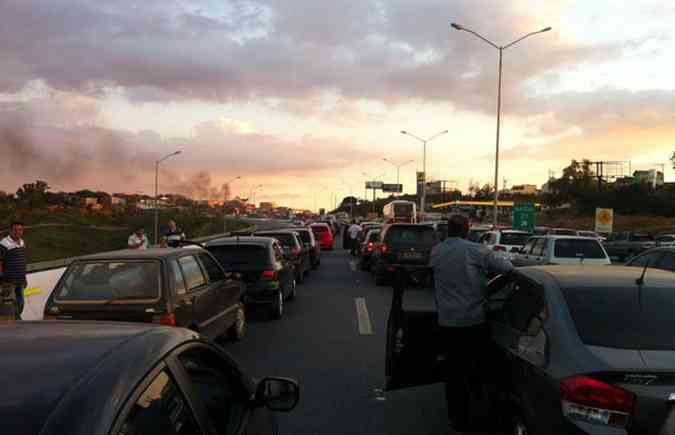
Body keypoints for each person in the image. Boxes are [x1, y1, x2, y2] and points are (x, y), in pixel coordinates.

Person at [430, 214, 513, 432]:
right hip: (473, 322)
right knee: (476, 371)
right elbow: (507, 268)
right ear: (467, 229)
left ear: (448, 230)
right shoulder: (477, 251)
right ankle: (477, 416)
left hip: (447, 322)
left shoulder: (437, 251)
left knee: (453, 374)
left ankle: (457, 420)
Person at [0, 222, 27, 319]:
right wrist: (1, 277)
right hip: (9, 280)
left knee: (21, 302)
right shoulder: (4, 244)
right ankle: (15, 319)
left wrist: (24, 278)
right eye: (15, 230)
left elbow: (22, 261)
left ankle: (17, 317)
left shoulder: (22, 242)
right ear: (10, 230)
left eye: (20, 230)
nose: (17, 232)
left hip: (20, 279)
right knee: (9, 303)